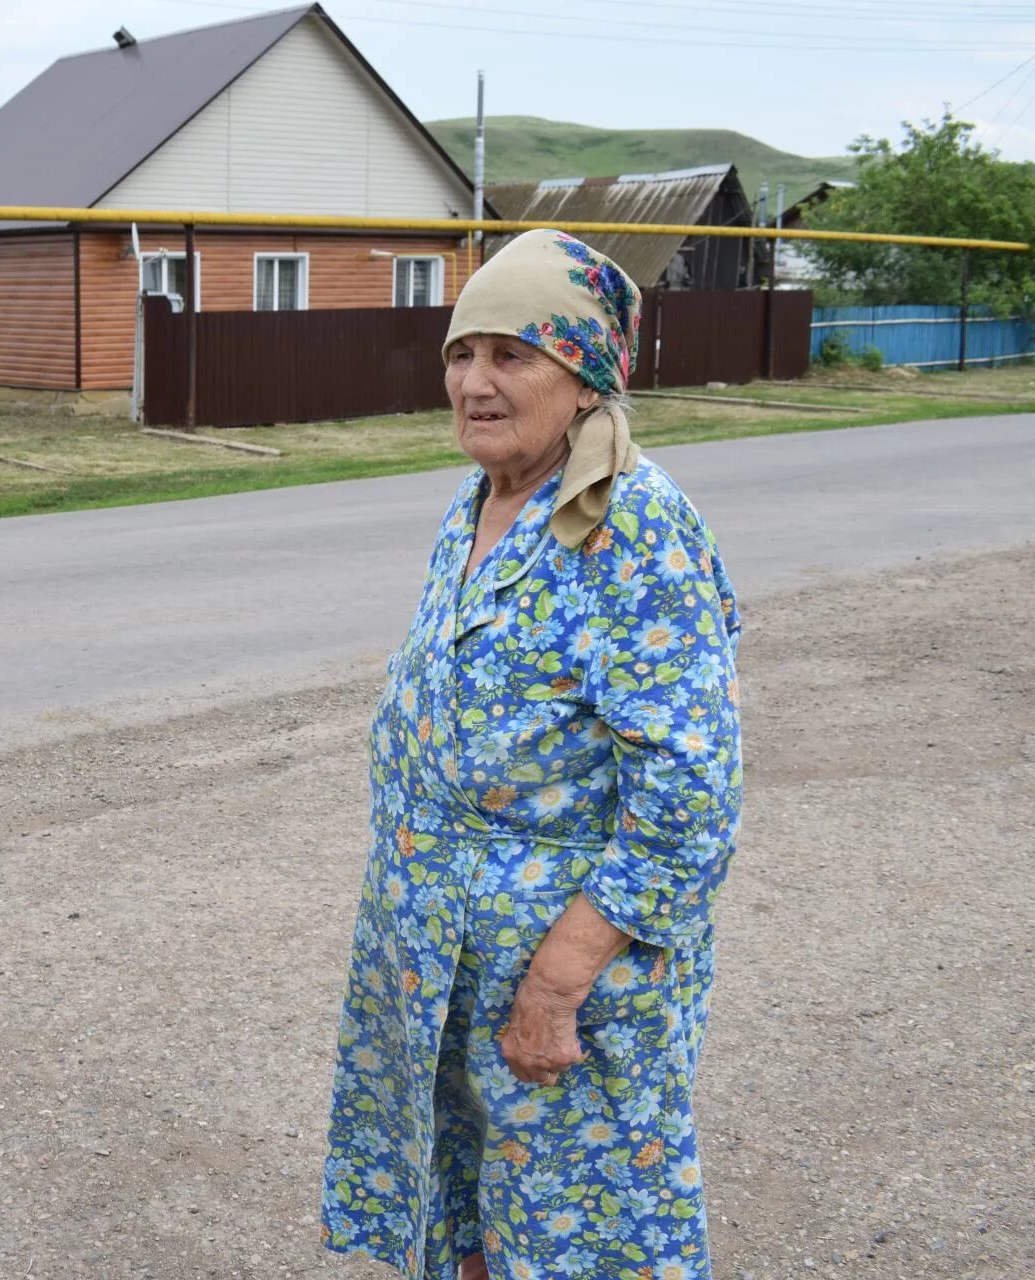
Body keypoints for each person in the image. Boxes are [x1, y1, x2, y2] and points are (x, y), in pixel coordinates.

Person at [320, 229, 742, 1280]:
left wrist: (557, 981)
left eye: (512, 355)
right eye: (464, 353)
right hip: (443, 963)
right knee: (469, 1220)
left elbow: (691, 789)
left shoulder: (636, 523)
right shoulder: (482, 501)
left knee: (574, 1238)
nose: (474, 382)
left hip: (559, 968)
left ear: (586, 371)